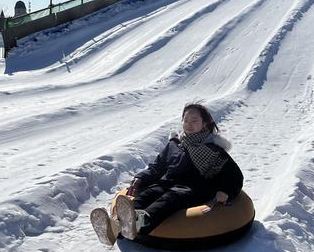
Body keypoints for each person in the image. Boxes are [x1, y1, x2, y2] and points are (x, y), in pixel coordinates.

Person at [90, 103, 244, 244]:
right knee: (148, 195)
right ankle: (114, 226)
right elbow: (158, 166)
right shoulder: (175, 144)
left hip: (192, 190)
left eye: (194, 120)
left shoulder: (213, 150)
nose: (189, 124)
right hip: (166, 183)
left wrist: (226, 191)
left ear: (204, 124)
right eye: (186, 120)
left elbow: (234, 175)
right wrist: (140, 178)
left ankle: (137, 224)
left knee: (167, 200)